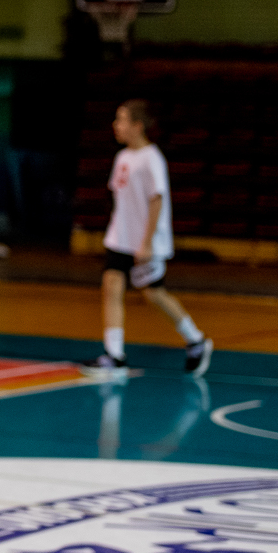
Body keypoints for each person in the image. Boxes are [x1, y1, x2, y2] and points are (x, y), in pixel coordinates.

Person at [79, 99, 213, 377]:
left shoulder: (152, 158)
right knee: (111, 286)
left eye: (121, 120)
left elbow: (156, 200)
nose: (116, 125)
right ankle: (114, 355)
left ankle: (196, 340)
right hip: (120, 238)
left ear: (138, 125)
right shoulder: (122, 157)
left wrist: (148, 242)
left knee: (154, 294)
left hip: (145, 241)